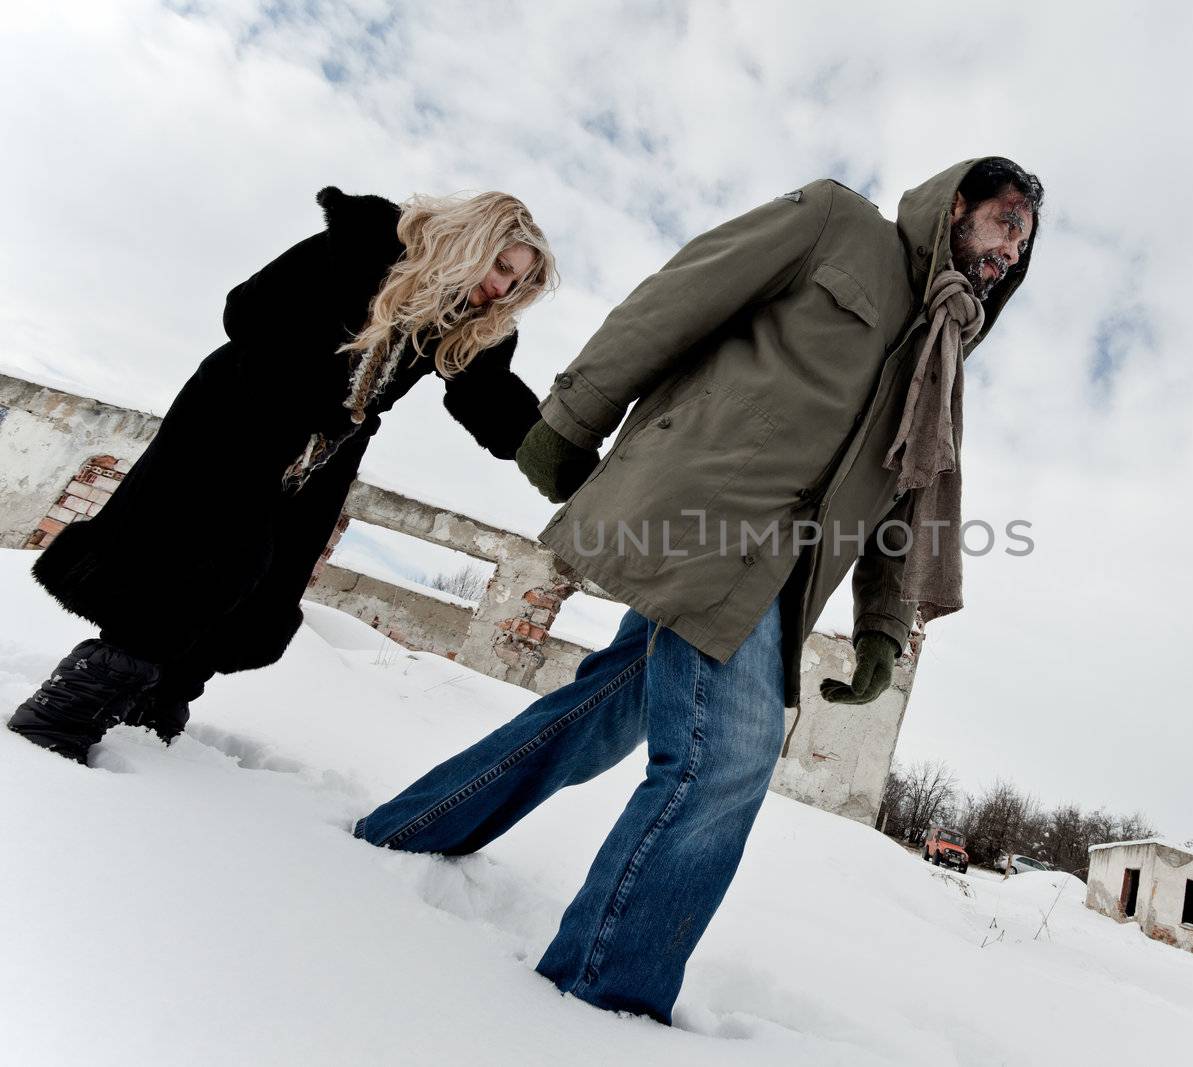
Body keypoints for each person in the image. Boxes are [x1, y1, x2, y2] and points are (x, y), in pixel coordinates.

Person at [355, 157, 1041, 1024]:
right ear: (958, 205)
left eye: (1025, 239)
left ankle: (409, 829)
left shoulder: (945, 347)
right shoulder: (835, 224)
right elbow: (679, 296)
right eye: (1005, 222)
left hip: (782, 572)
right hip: (705, 517)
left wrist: (881, 625)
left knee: (601, 712)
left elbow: (906, 490)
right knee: (725, 760)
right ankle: (602, 999)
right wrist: (573, 416)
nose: (1013, 249)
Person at [10, 186, 558, 763]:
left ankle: (159, 703)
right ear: (471, 239)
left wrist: (558, 452)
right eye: (501, 267)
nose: (502, 289)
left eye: (518, 285)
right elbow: (247, 310)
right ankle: (63, 715)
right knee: (196, 558)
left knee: (269, 580)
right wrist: (309, 390)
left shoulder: (467, 321)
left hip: (327, 449)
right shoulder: (364, 245)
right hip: (243, 408)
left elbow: (490, 398)